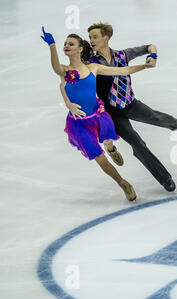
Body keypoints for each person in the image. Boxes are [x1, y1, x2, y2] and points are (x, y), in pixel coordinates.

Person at [41, 27, 153, 201]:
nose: (66, 46)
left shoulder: (93, 67)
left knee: (107, 139)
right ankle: (123, 183)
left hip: (98, 115)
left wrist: (144, 66)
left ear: (80, 48)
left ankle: (111, 148)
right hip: (78, 123)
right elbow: (56, 68)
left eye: (71, 44)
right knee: (98, 156)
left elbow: (123, 71)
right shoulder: (64, 71)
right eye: (65, 44)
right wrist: (52, 45)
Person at [85, 22, 177, 192]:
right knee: (138, 144)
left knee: (155, 117)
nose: (91, 40)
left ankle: (174, 124)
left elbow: (150, 46)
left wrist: (153, 57)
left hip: (131, 104)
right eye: (90, 37)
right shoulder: (90, 63)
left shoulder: (123, 54)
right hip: (113, 112)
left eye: (95, 37)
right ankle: (165, 178)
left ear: (106, 38)